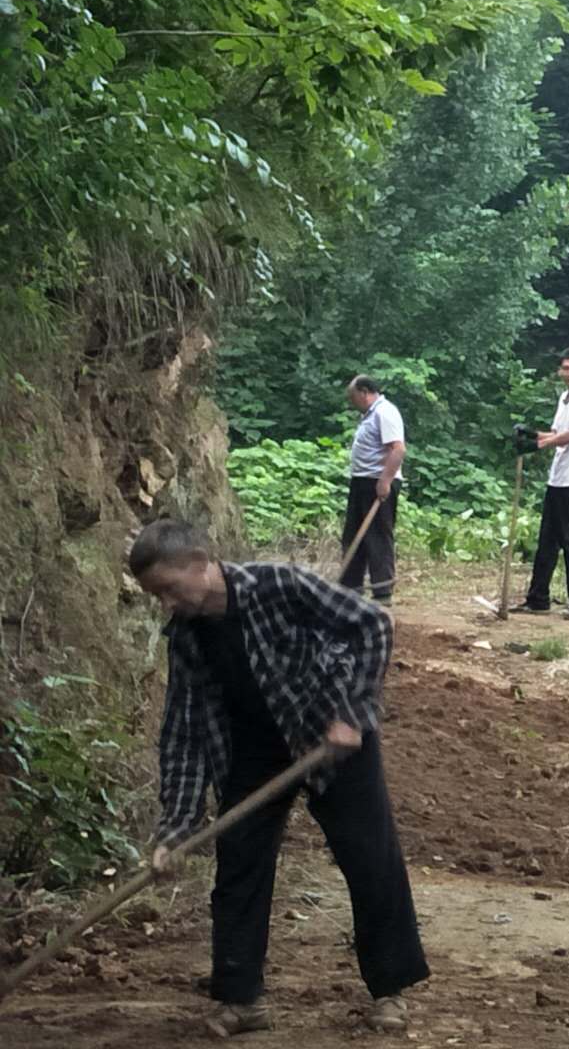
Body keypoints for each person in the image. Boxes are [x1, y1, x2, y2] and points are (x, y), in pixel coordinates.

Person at [129, 519, 427, 1038]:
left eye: (169, 590)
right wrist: (176, 830)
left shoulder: (279, 584)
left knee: (369, 859)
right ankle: (240, 1000)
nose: (166, 605)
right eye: (156, 596)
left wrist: (351, 713)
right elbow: (183, 732)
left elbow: (373, 623)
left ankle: (389, 991)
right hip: (254, 751)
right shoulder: (186, 636)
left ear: (200, 565)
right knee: (239, 866)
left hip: (330, 736)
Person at [513, 348, 569, 617]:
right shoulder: (565, 398)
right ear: (560, 371)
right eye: (566, 368)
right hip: (558, 478)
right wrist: (533, 435)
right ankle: (538, 597)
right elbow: (556, 432)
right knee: (547, 541)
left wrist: (539, 445)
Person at [341, 376, 406, 606]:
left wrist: (385, 481)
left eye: (353, 396)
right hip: (361, 481)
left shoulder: (385, 412)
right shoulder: (369, 415)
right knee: (353, 535)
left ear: (365, 392)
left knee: (377, 537)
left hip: (376, 481)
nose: (352, 401)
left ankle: (382, 592)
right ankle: (350, 588)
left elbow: (397, 449)